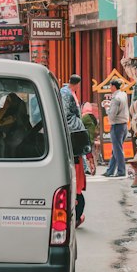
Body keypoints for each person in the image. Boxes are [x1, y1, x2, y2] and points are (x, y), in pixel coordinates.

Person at [60, 74, 89, 225]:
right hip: (75, 151)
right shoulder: (70, 96)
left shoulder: (61, 92)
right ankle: (76, 216)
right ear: (77, 85)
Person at [104, 79, 130, 178]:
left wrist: (106, 107)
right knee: (116, 149)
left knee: (117, 150)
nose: (110, 88)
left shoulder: (116, 98)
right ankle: (110, 170)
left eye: (110, 86)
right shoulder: (123, 95)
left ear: (114, 86)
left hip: (117, 126)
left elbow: (111, 115)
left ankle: (121, 171)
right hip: (124, 125)